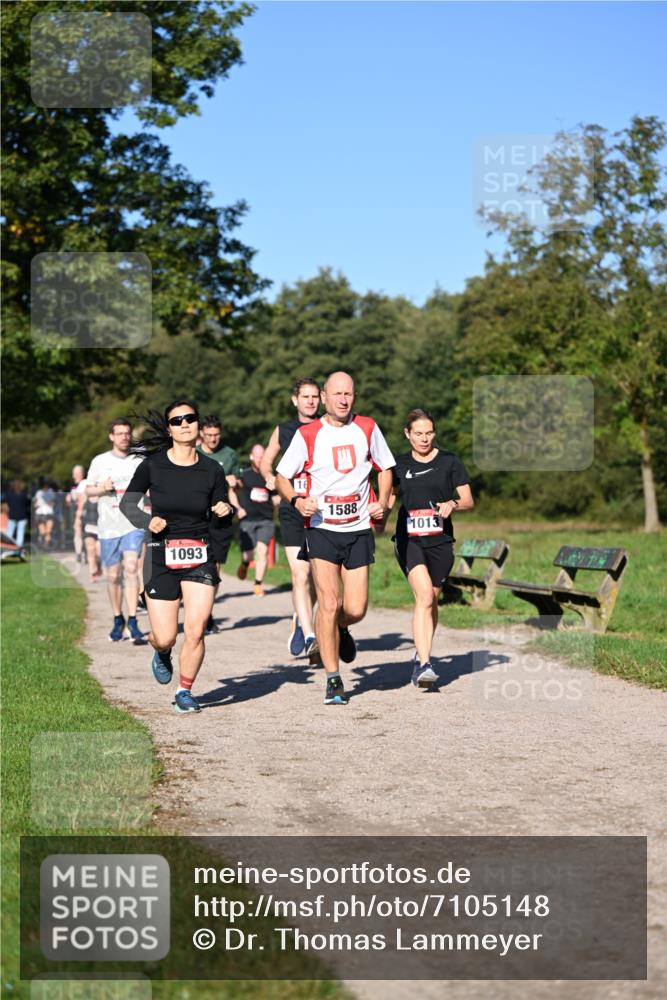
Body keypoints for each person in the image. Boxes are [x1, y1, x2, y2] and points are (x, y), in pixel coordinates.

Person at [275, 371, 395, 705]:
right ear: (325, 397)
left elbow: (385, 468)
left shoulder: (368, 428)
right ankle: (332, 679)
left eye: (349, 394)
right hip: (321, 527)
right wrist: (298, 501)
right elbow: (281, 477)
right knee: (327, 602)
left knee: (354, 609)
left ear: (354, 397)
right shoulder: (308, 434)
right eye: (337, 394)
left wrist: (382, 502)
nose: (344, 399)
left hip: (358, 528)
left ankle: (340, 628)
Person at [119, 399, 232, 714]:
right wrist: (147, 521)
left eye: (190, 418)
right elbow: (128, 504)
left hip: (199, 551)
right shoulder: (153, 465)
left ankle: (185, 691)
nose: (185, 424)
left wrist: (226, 509)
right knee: (166, 636)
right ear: (169, 429)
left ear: (197, 424)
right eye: (177, 420)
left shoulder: (212, 469)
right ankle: (162, 652)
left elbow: (223, 510)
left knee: (195, 629)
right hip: (160, 554)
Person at [390, 408, 474, 687]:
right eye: (418, 434)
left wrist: (453, 503)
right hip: (409, 539)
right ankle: (423, 665)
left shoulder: (450, 461)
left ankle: (420, 652)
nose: (424, 439)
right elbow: (388, 500)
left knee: (431, 602)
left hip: (440, 541)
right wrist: (375, 513)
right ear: (407, 434)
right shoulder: (399, 464)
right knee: (424, 596)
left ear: (434, 433)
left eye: (428, 433)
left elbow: (468, 500)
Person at [260, 377, 320, 656]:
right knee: (301, 572)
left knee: (319, 576)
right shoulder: (284, 430)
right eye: (305, 396)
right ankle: (309, 634)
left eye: (314, 396)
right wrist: (270, 478)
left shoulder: (329, 427)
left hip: (322, 509)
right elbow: (265, 460)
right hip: (292, 507)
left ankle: (301, 617)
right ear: (294, 400)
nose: (310, 401)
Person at [86, 419, 146, 643]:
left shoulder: (138, 460)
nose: (124, 437)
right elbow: (88, 490)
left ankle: (133, 620)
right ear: (111, 436)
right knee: (113, 576)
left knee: (131, 568)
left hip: (133, 523)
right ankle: (117, 618)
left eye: (127, 433)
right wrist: (102, 488)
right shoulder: (100, 461)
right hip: (108, 526)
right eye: (119, 433)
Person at [196, 416, 243, 632]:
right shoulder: (193, 453)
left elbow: (239, 484)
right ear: (202, 434)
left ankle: (207, 613)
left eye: (216, 435)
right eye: (209, 435)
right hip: (195, 516)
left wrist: (236, 482)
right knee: (193, 565)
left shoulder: (229, 454)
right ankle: (193, 607)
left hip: (220, 517)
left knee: (214, 569)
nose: (213, 439)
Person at [236, 444, 279, 597]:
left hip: (265, 519)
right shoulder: (244, 474)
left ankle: (258, 584)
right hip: (248, 520)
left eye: (263, 456)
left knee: (263, 550)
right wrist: (237, 508)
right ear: (251, 457)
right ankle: (245, 564)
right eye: (258, 456)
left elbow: (275, 497)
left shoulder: (270, 476)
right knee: (248, 555)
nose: (261, 459)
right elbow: (232, 490)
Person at [66, 465, 86, 561]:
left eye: (75, 474)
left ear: (80, 474)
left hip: (83, 513)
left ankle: (81, 553)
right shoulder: (77, 486)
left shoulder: (84, 484)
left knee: (81, 533)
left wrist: (79, 513)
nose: (73, 476)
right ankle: (80, 553)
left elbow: (82, 501)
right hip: (79, 512)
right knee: (80, 533)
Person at [5, 480, 31, 548]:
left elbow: (5, 502)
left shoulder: (9, 494)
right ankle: (18, 548)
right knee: (20, 533)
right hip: (22, 515)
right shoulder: (24, 494)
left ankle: (7, 547)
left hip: (12, 515)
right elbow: (28, 504)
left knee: (9, 533)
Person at [33, 478, 57, 549]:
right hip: (40, 514)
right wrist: (36, 504)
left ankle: (46, 546)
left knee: (48, 531)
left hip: (49, 513)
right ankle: (40, 540)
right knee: (42, 532)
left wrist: (51, 503)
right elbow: (35, 503)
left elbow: (53, 501)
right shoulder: (39, 492)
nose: (45, 486)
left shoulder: (51, 492)